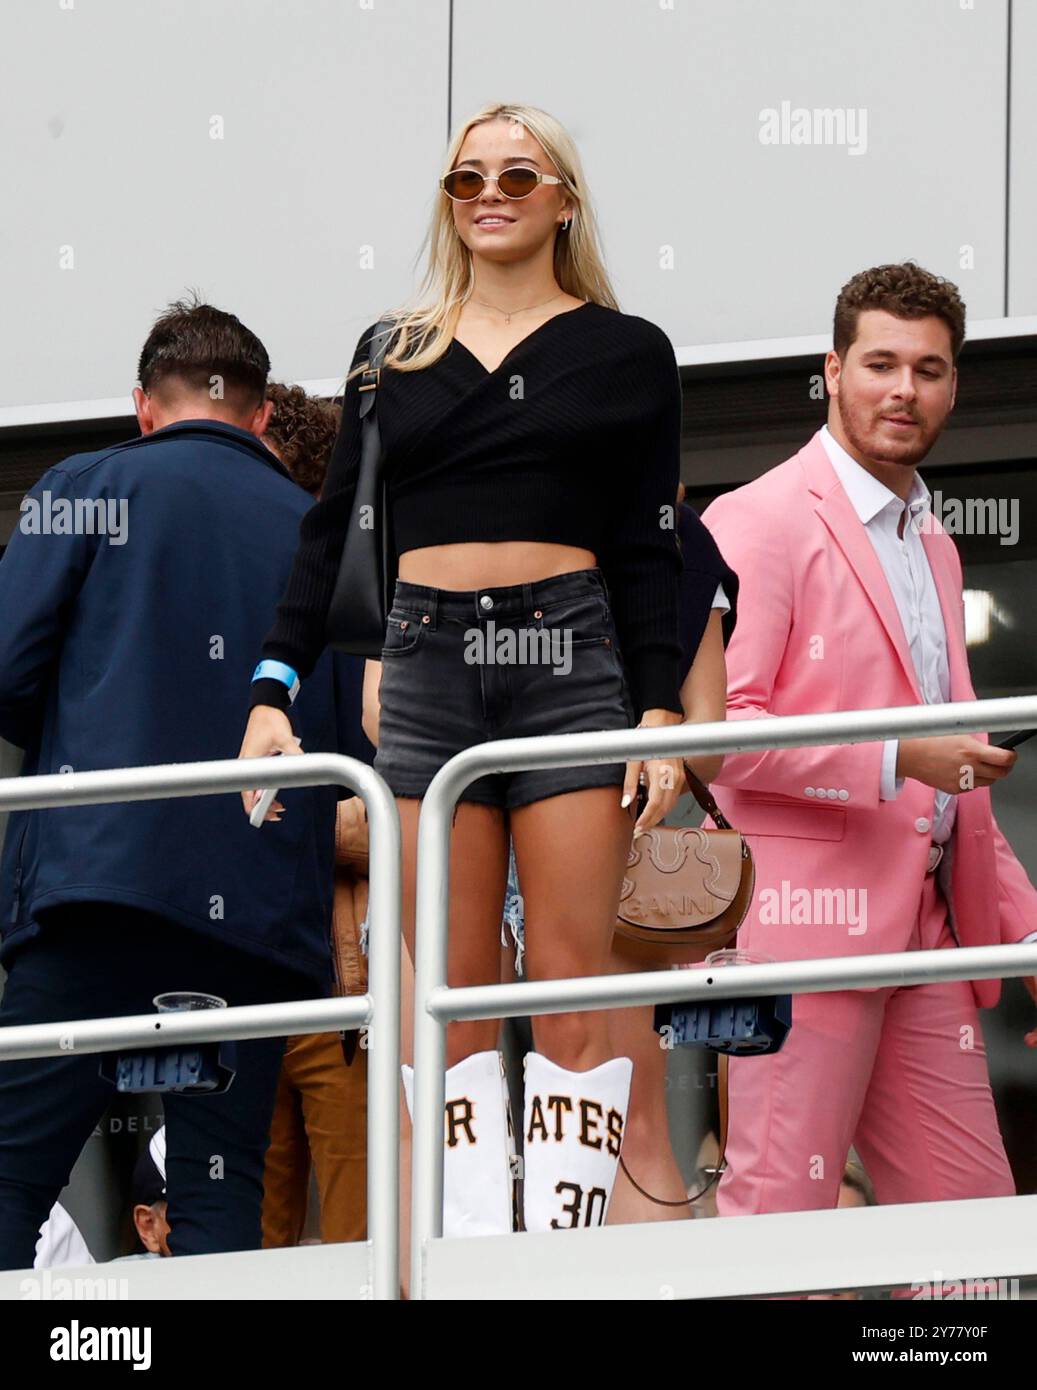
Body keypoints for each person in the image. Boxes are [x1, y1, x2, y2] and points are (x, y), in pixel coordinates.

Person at [240, 102, 731, 1237]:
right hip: (425, 659)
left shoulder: (625, 349)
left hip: (570, 654)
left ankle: (556, 1254)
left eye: (517, 172)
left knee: (566, 991)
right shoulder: (390, 352)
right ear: (448, 201)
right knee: (451, 995)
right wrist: (271, 687)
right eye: (466, 178)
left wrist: (658, 703)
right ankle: (471, 1256)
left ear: (563, 197)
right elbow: (329, 537)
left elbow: (646, 543)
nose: (489, 193)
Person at [0, 298, 352, 1268]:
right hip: (253, 915)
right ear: (261, 416)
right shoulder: (312, 529)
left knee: (9, 1176)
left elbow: (4, 669)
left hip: (96, 885)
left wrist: (82, 734)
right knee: (216, 1194)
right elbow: (349, 731)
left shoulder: (87, 485)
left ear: (143, 407)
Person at [700, 262, 1037, 1224]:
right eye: (880, 363)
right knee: (782, 1223)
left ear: (953, 387)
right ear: (831, 370)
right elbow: (721, 735)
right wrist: (896, 758)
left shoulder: (934, 542)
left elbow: (958, 761)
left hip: (927, 931)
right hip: (804, 932)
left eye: (927, 370)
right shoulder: (757, 518)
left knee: (971, 1228)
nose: (903, 390)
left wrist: (1020, 928)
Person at [259, 384, 372, 1248]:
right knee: (266, 1220)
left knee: (356, 1217)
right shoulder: (264, 623)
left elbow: (390, 815)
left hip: (341, 972)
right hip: (279, 964)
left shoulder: (365, 613)